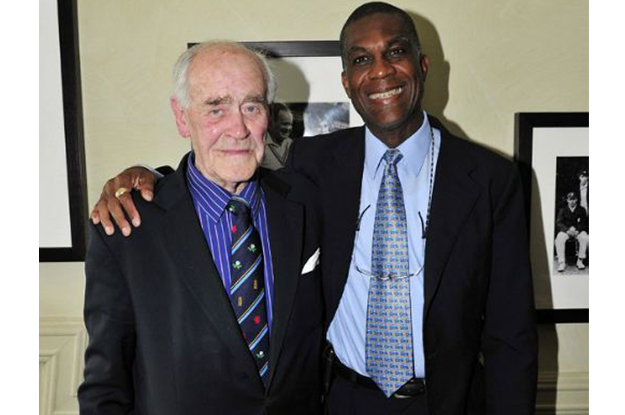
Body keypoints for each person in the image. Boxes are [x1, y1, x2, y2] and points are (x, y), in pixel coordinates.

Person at [90, 3, 538, 414]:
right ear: (347, 81)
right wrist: (145, 174)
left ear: (422, 65)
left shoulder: (491, 180)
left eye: (396, 52)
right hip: (340, 399)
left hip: (447, 402)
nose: (381, 72)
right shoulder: (313, 166)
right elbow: (211, 181)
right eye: (361, 59)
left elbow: (511, 337)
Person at [79, 41, 324, 415]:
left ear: (268, 117)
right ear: (181, 117)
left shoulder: (307, 203)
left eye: (251, 106)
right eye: (216, 107)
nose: (238, 128)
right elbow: (105, 389)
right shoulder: (127, 228)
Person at [554, 191, 589, 272]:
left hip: (578, 231)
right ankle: (562, 262)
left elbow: (584, 222)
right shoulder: (563, 210)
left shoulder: (581, 209)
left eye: (573, 199)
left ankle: (580, 260)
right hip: (567, 231)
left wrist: (578, 230)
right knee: (559, 238)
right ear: (567, 200)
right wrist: (567, 230)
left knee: (584, 237)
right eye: (570, 199)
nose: (572, 201)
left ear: (576, 199)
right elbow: (559, 222)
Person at [261, 102, 294, 170]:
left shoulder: (292, 145)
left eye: (290, 125)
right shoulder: (260, 146)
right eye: (285, 124)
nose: (288, 128)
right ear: (271, 123)